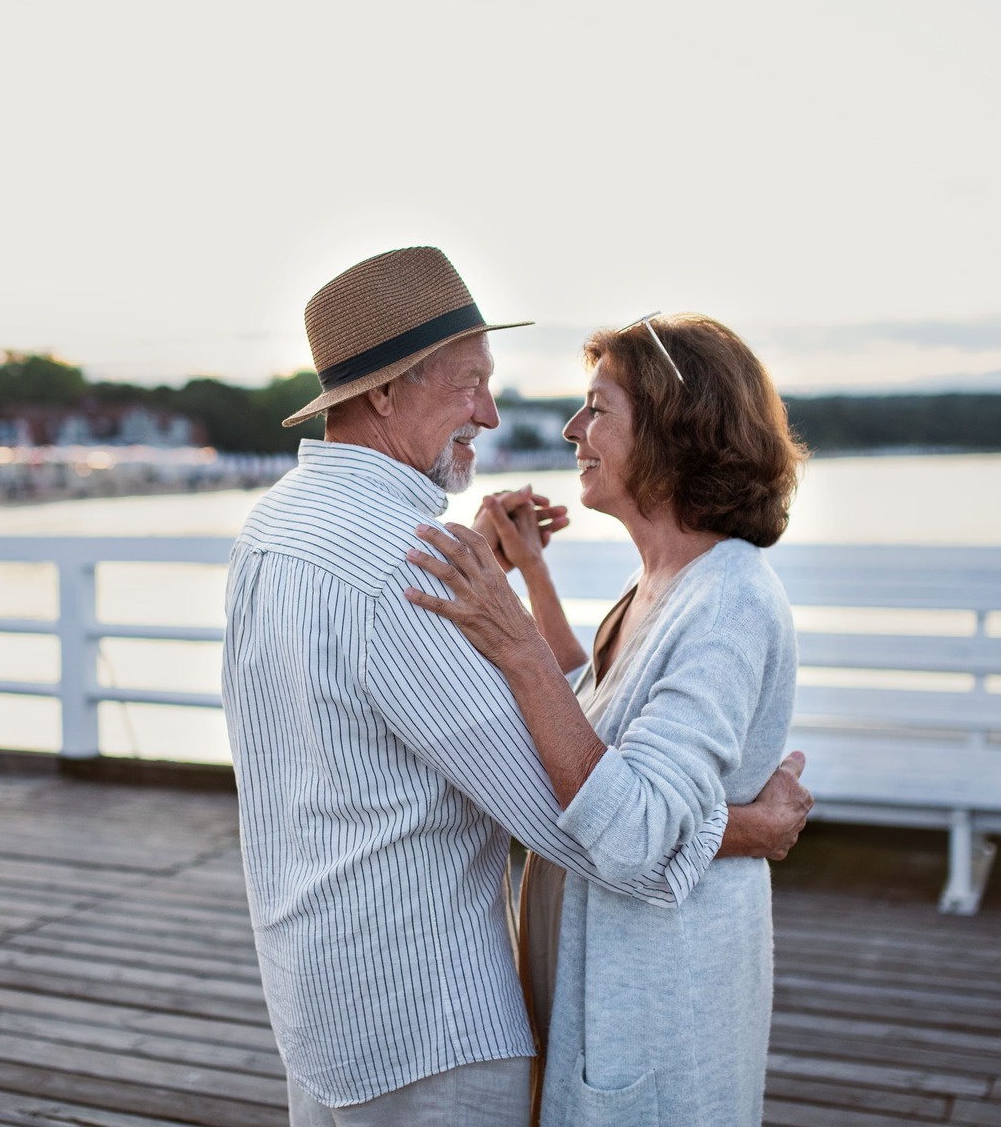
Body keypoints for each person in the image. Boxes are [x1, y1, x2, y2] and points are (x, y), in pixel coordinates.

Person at [221, 249, 812, 1127]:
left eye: (594, 409)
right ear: (385, 392)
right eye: (470, 387)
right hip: (427, 1023)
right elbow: (584, 813)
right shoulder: (411, 567)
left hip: (323, 997)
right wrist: (745, 826)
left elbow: (573, 729)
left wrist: (518, 594)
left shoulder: (273, 526)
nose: (494, 417)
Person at [405, 312, 808, 1125]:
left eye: (597, 409)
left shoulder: (728, 599)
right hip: (606, 985)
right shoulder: (665, 576)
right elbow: (593, 703)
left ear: (672, 431)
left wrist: (510, 637)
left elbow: (637, 827)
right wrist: (530, 579)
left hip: (659, 1009)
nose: (571, 430)